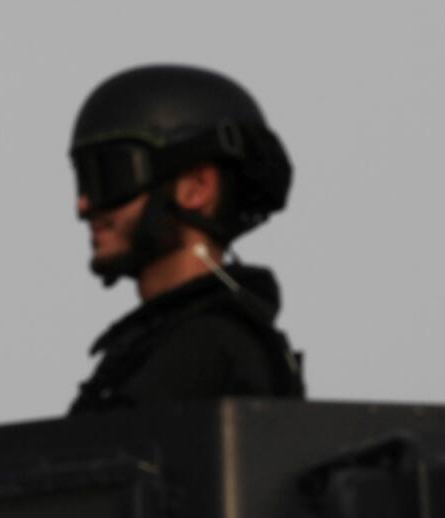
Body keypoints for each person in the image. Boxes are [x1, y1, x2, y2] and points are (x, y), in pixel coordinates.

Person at [67, 65, 305, 415]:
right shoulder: (163, 340)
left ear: (196, 188)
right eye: (83, 180)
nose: (84, 205)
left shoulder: (209, 344)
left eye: (109, 174)